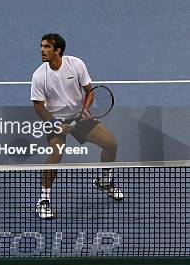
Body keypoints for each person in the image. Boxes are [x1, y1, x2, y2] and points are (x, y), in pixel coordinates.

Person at [30, 33, 123, 219]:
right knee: (56, 153)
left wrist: (86, 109)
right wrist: (56, 124)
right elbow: (39, 106)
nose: (42, 50)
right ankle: (44, 200)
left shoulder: (76, 64)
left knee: (111, 143)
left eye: (47, 47)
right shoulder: (39, 75)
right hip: (55, 119)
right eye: (42, 46)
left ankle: (105, 180)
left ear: (58, 50)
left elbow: (90, 91)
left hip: (79, 116)